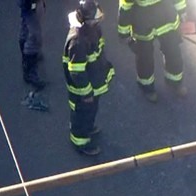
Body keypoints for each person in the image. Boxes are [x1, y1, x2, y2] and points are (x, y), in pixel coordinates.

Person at [63, 0, 115, 156]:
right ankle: (80, 141)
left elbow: (97, 53)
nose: (98, 21)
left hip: (93, 82)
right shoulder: (77, 41)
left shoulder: (92, 29)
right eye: (96, 19)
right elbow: (77, 71)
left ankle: (88, 128)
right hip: (82, 89)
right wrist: (86, 93)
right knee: (81, 113)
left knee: (91, 110)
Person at [117, 0, 187, 102]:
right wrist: (124, 33)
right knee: (145, 59)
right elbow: (125, 7)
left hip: (166, 18)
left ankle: (175, 81)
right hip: (143, 23)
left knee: (173, 52)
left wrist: (182, 10)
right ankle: (147, 87)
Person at [20, 0, 48, 88]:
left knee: (25, 29)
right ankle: (30, 73)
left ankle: (26, 60)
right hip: (31, 4)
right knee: (35, 38)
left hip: (30, 4)